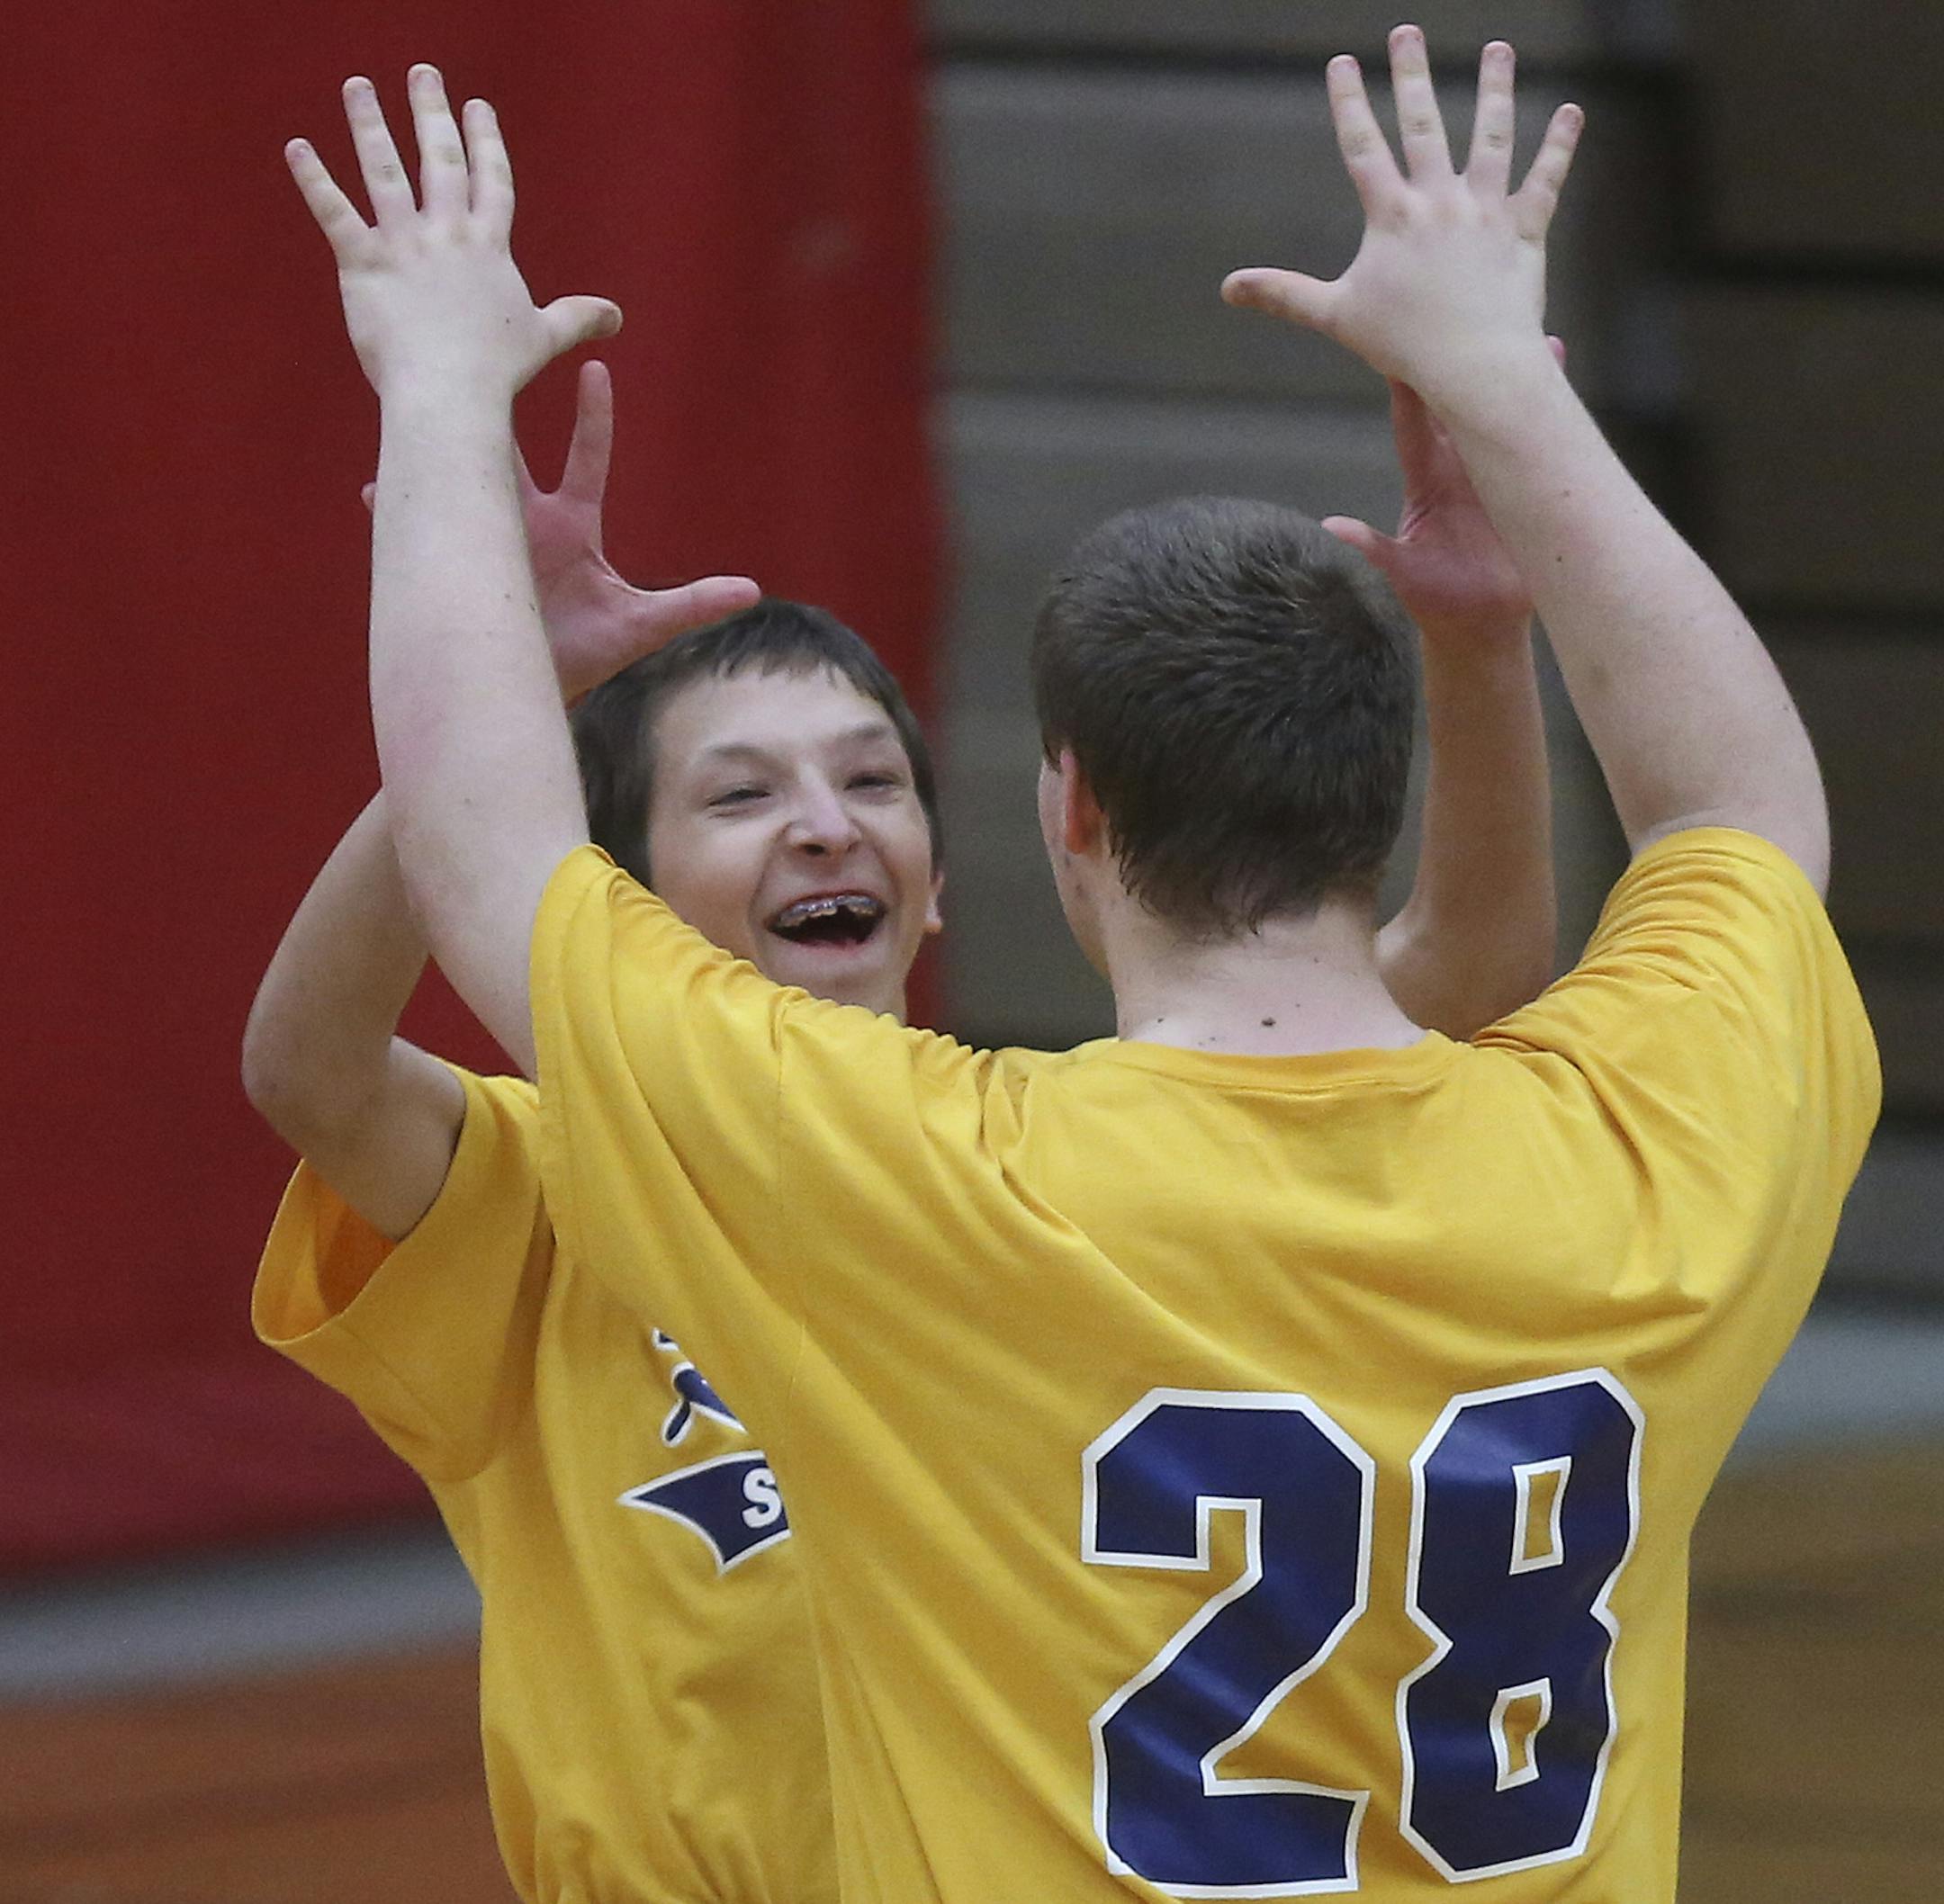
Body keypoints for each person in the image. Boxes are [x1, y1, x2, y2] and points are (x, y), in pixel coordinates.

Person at [289, 29, 1878, 1898]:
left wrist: (439, 394)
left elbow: (488, 845)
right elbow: (1739, 807)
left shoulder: (932, 1188)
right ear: (1380, 803)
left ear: (1065, 815)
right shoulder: (1635, 1155)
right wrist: (1503, 402)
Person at [247, 314, 1557, 1904]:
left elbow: (1450, 983)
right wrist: (486, 722)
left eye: (873, 783)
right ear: (612, 900)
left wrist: (1482, 658)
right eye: (742, 796)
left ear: (946, 881)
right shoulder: (549, 1187)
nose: (824, 828)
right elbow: (311, 1070)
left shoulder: (1053, 1172)